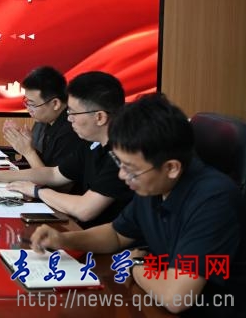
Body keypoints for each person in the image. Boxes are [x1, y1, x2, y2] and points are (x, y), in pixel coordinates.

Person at [30, 93, 245, 316]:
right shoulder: (154, 182)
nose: (123, 175)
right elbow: (116, 235)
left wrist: (135, 266)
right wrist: (65, 240)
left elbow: (176, 297)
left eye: (130, 169)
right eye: (119, 163)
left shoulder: (214, 200)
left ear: (171, 168)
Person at [0, 71, 133, 227]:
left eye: (73, 113)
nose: (69, 119)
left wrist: (37, 191)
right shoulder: (92, 144)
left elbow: (84, 210)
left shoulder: (122, 155)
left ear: (100, 117)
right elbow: (53, 174)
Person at [2, 66, 89, 171]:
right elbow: (44, 163)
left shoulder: (71, 130)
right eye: (27, 102)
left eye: (32, 104)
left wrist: (28, 151)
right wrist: (26, 145)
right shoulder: (44, 121)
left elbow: (52, 179)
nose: (28, 109)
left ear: (55, 103)